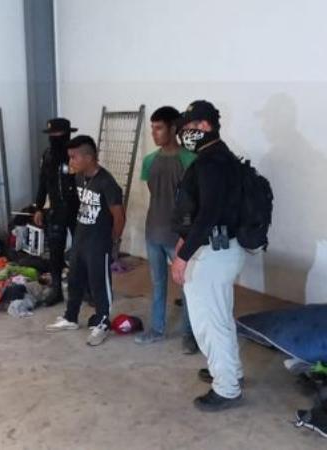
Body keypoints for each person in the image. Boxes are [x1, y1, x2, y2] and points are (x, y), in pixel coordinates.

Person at [171, 100, 245, 412]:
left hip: (212, 252)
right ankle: (230, 372)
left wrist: (183, 256)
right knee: (220, 317)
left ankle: (226, 388)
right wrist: (184, 240)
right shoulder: (220, 157)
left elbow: (209, 213)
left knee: (209, 323)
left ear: (204, 126)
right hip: (222, 248)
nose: (184, 135)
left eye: (188, 128)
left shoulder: (211, 162)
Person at [46, 135, 126, 346]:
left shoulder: (107, 183)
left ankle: (102, 323)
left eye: (74, 157)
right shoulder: (80, 177)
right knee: (74, 279)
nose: (71, 162)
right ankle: (71, 317)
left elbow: (119, 216)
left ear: (89, 157)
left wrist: (114, 242)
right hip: (81, 238)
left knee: (99, 284)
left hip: (99, 242)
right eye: (70, 157)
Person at [135, 106, 199, 354]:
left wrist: (187, 234)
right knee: (158, 282)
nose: (154, 133)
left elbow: (195, 200)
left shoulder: (189, 160)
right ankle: (157, 328)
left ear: (173, 129)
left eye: (159, 128)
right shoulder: (150, 161)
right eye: (152, 128)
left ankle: (189, 334)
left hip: (179, 236)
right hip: (154, 231)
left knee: (187, 286)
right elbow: (154, 194)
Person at [33, 118, 80, 307]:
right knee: (55, 253)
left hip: (77, 210)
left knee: (82, 250)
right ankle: (57, 290)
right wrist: (38, 207)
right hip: (56, 210)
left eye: (57, 133)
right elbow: (42, 182)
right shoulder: (47, 156)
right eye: (51, 134)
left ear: (66, 134)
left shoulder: (77, 155)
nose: (53, 137)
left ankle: (87, 289)